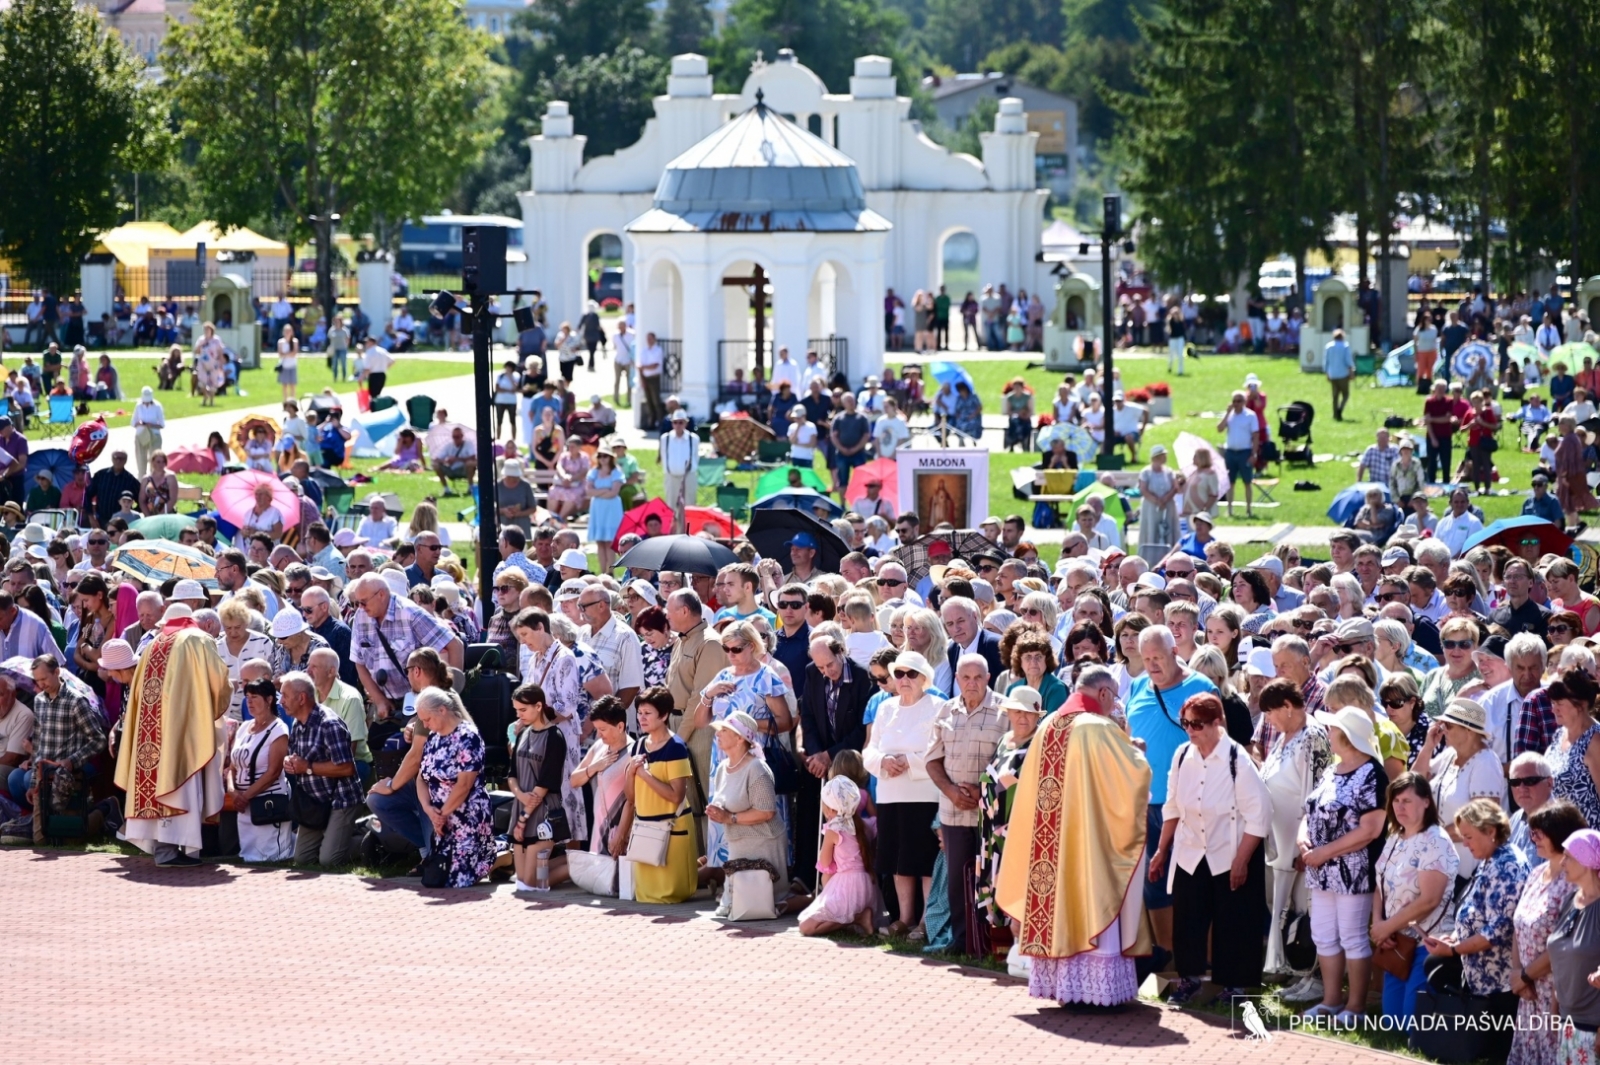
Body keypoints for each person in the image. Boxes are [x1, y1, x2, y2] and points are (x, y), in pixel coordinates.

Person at [999, 670, 1152, 1008]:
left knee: (1058, 906)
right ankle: (1096, 990)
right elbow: (1132, 775)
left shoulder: (1050, 725)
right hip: (1088, 839)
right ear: (1103, 693)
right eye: (1113, 696)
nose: (1114, 704)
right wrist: (1137, 749)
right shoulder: (1099, 728)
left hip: (1050, 846)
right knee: (1092, 896)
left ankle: (1066, 987)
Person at [1151, 691, 1269, 1002]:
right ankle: (1189, 980)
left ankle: (1235, 987)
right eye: (1186, 723)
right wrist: (1162, 850)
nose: (1191, 730)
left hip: (1231, 850)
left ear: (1217, 723)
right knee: (1187, 917)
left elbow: (1258, 816)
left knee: (1234, 919)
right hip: (1191, 850)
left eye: (1198, 724)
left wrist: (1242, 861)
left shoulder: (1237, 759)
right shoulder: (1180, 756)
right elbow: (1173, 807)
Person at [112, 608, 231, 867]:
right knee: (181, 783)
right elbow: (219, 681)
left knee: (158, 781)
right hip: (183, 730)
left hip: (150, 735)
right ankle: (183, 850)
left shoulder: (153, 643)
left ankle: (163, 850)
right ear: (205, 625)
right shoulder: (199, 639)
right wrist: (215, 706)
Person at [1299, 705, 1389, 1023]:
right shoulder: (1331, 770)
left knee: (1352, 935)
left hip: (1354, 870)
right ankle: (1331, 1001)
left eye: (1334, 728)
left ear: (1348, 737)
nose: (1328, 732)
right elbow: (1310, 811)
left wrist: (1326, 852)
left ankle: (1355, 1007)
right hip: (1321, 870)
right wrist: (1303, 840)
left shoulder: (1372, 773)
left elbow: (1371, 829)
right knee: (1323, 934)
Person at [1420, 799, 1529, 1048]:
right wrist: (1456, 938)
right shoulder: (1490, 859)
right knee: (1434, 965)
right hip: (1482, 976)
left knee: (1495, 1050)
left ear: (1490, 831)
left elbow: (1498, 930)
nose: (1464, 844)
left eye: (1468, 836)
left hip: (1499, 982)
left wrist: (1455, 949)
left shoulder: (1507, 865)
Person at [863, 650, 944, 940]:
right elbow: (869, 750)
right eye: (899, 673)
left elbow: (940, 750)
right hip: (889, 793)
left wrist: (908, 762)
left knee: (924, 860)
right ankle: (904, 918)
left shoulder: (937, 706)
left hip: (924, 794)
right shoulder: (885, 708)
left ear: (924, 678)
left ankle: (924, 921)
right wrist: (883, 762)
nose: (905, 679)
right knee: (897, 860)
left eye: (911, 674)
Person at [1370, 772, 1458, 1023]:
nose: (1399, 807)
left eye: (1407, 801)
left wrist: (1387, 926)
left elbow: (1430, 900)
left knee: (1411, 1022)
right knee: (1391, 1020)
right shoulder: (1395, 838)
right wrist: (1378, 926)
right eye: (1395, 801)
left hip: (1427, 943)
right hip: (1396, 943)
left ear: (1426, 801)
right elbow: (1379, 886)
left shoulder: (1436, 840)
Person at [1508, 800, 1585, 1065]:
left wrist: (1526, 975)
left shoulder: (1574, 880)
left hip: (1554, 991)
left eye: (1541, 833)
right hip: (1528, 991)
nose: (1534, 839)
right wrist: (1517, 974)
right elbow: (1519, 925)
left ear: (1561, 834)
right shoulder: (1536, 873)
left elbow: (1565, 943)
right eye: (1533, 832)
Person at [616, 687, 698, 904]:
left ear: (664, 715)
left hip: (672, 829)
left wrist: (643, 773)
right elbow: (630, 796)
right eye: (639, 713)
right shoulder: (638, 747)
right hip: (645, 830)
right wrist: (631, 773)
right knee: (645, 897)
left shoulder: (676, 747)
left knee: (670, 895)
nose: (641, 718)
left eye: (648, 713)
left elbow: (675, 796)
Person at [706, 710, 788, 918]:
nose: (718, 734)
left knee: (766, 903)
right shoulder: (723, 768)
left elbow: (766, 811)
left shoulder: (757, 768)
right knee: (732, 906)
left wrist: (729, 818)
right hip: (737, 843)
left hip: (763, 842)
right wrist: (717, 812)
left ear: (740, 738)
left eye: (724, 730)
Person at [413, 686, 494, 887]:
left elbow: (464, 784)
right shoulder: (433, 738)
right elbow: (421, 778)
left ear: (442, 710)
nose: (425, 725)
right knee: (436, 880)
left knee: (458, 881)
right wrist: (429, 810)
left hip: (467, 815)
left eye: (427, 719)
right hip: (441, 819)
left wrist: (442, 815)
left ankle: (499, 856)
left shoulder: (468, 736)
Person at [507, 682, 569, 892]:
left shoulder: (554, 737)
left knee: (535, 882)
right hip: (522, 807)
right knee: (523, 882)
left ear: (539, 706)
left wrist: (524, 817)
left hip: (542, 813)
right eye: (516, 710)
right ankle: (568, 862)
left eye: (523, 710)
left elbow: (545, 783)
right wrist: (521, 797)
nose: (519, 714)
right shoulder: (523, 733)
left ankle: (576, 866)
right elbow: (512, 774)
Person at [798, 775, 877, 936]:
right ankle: (856, 918)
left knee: (805, 927)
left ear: (831, 809)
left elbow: (824, 862)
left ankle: (858, 918)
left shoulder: (833, 829)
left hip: (846, 887)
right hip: (866, 885)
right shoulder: (864, 825)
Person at [227, 677, 295, 863]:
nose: (249, 701)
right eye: (247, 696)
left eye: (255, 697)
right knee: (249, 857)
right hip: (243, 804)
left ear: (269, 700)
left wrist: (245, 796)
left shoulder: (278, 729)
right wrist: (233, 792)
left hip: (268, 803)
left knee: (271, 857)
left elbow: (273, 772)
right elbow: (232, 766)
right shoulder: (244, 728)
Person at [1549, 668, 1600, 829]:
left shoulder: (1596, 740)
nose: (1554, 709)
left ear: (1581, 705)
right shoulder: (1559, 735)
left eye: (1560, 704)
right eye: (1553, 703)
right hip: (1561, 840)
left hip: (1590, 841)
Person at [1216, 391, 1259, 518]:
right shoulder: (1229, 415)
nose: (1236, 404)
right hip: (1230, 452)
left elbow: (1256, 436)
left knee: (1247, 482)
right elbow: (1219, 429)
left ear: (1244, 402)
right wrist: (1227, 413)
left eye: (1239, 401)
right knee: (1230, 482)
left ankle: (1249, 509)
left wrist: (1254, 454)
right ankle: (1229, 510)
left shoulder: (1250, 416)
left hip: (1245, 451)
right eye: (1234, 401)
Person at [585, 449, 624, 572]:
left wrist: (597, 492)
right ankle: (602, 572)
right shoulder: (593, 472)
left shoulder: (616, 472)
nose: (602, 458)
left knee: (610, 542)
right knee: (600, 542)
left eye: (605, 456)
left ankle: (610, 571)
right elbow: (588, 491)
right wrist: (604, 490)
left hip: (612, 509)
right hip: (598, 509)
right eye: (600, 456)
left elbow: (614, 493)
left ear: (611, 457)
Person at [1138, 444, 1181, 551]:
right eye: (1163, 455)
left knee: (1168, 529)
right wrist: (1157, 501)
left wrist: (1165, 499)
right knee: (1151, 529)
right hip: (1151, 506)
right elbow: (1143, 489)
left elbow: (1175, 487)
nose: (1166, 457)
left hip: (1168, 505)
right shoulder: (1146, 472)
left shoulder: (1169, 471)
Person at [1325, 328, 1354, 421]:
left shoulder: (1328, 346)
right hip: (1343, 374)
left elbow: (1326, 361)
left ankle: (1334, 414)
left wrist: (1327, 373)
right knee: (1345, 394)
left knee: (1335, 395)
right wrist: (1351, 371)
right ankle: (1340, 409)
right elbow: (1348, 360)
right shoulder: (1345, 346)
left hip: (1332, 374)